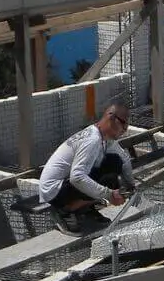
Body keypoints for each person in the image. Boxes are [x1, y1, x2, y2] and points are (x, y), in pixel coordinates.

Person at [38, 97, 137, 232]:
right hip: (54, 191)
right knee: (110, 181)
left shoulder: (105, 138)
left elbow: (124, 159)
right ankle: (64, 211)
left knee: (115, 163)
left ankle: (84, 208)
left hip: (66, 183)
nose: (125, 130)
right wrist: (109, 194)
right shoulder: (92, 140)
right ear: (111, 117)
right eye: (124, 124)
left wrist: (131, 185)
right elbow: (77, 177)